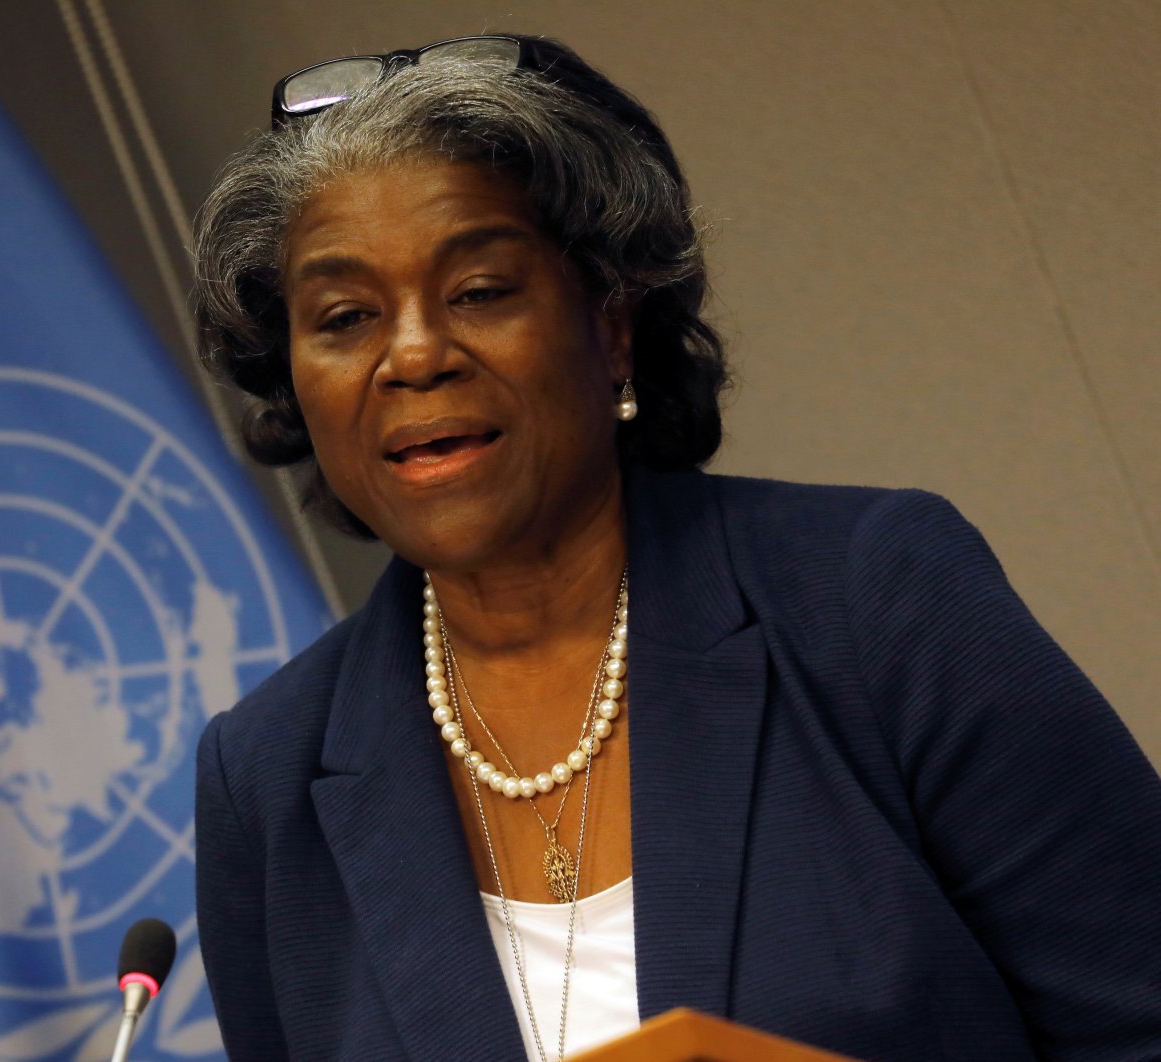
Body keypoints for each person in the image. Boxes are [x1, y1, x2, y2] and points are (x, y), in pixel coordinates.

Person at [189, 35, 1161, 1061]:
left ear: (611, 326)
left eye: (477, 291)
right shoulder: (265, 779)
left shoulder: (878, 597)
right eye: (343, 316)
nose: (415, 354)